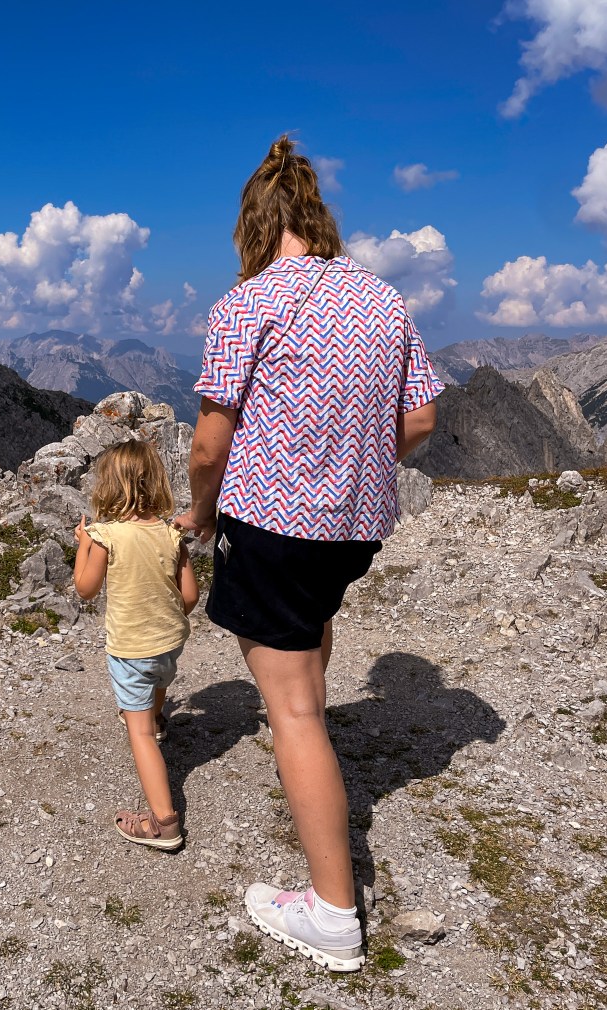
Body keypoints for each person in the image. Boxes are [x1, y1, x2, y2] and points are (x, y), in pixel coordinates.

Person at [175, 135, 443, 972]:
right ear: (316, 217)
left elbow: (209, 447)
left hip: (275, 525)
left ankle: (332, 913)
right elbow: (424, 420)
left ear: (253, 227)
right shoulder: (382, 299)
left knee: (287, 708)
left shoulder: (247, 304)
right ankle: (315, 744)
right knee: (312, 636)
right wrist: (354, 459)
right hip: (356, 525)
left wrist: (200, 515)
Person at [73, 439, 199, 851]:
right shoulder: (171, 533)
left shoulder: (105, 535)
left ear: (109, 487)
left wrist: (83, 545)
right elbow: (190, 598)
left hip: (130, 648)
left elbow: (85, 590)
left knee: (138, 733)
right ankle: (159, 717)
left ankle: (164, 821)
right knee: (157, 682)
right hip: (169, 643)